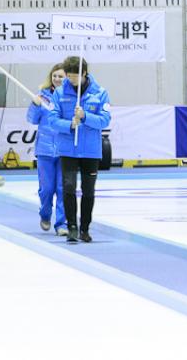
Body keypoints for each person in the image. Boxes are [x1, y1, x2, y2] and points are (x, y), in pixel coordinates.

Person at [48, 56, 111, 243]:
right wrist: (69, 125)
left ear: (84, 73)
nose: (70, 79)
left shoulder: (100, 93)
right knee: (68, 187)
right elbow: (52, 119)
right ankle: (72, 227)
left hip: (91, 150)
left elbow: (105, 120)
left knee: (88, 190)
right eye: (68, 76)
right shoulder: (59, 93)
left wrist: (85, 117)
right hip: (68, 149)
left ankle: (85, 228)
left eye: (74, 76)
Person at [27, 63, 68, 236]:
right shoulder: (42, 97)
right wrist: (35, 105)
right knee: (46, 189)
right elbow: (32, 119)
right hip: (45, 150)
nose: (57, 79)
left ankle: (61, 224)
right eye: (55, 76)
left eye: (61, 76)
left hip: (65, 150)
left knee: (63, 188)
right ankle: (45, 215)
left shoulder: (71, 97)